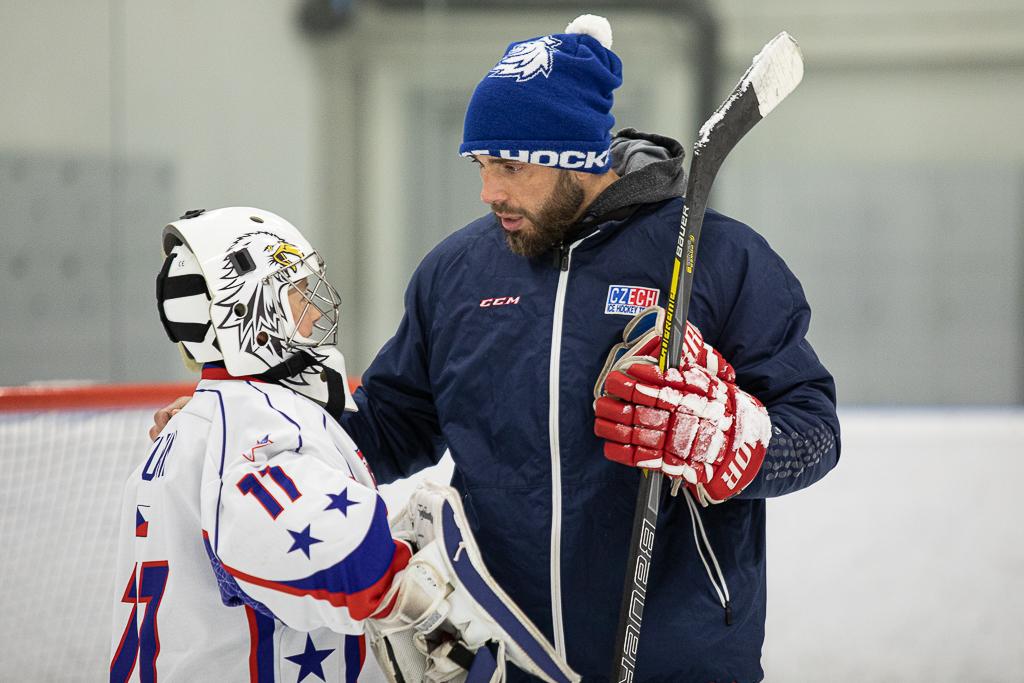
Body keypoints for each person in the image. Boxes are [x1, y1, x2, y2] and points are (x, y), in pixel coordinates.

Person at [152, 14, 839, 681]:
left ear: (575, 156)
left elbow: (815, 430)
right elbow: (389, 424)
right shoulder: (456, 274)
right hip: (502, 658)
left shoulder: (717, 257)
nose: (488, 191)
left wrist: (731, 440)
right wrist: (254, 428)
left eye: (509, 165)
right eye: (482, 163)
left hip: (683, 664)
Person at [114, 207, 577, 683]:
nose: (315, 311)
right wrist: (422, 600)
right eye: (295, 296)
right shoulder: (256, 428)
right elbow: (351, 564)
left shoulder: (204, 424)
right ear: (242, 312)